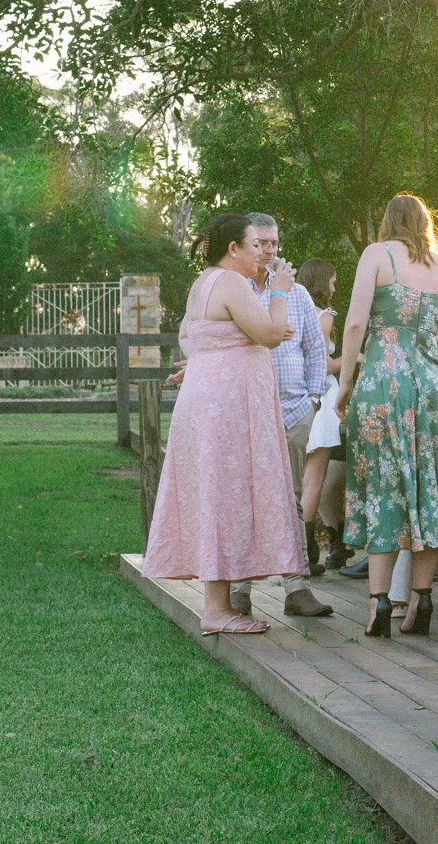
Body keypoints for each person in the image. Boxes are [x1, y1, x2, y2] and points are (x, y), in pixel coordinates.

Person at [142, 213, 307, 634]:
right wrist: (280, 291)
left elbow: (197, 339)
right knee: (223, 493)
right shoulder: (231, 282)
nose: (261, 253)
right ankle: (216, 610)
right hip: (226, 409)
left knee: (220, 493)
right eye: (254, 245)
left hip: (212, 402)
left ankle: (222, 603)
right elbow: (270, 335)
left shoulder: (204, 282)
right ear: (233, 249)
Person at [337, 193, 438, 638]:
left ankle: (380, 602)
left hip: (383, 383)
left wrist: (345, 383)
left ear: (388, 223)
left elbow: (355, 323)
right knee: (427, 491)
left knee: (383, 487)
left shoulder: (377, 255)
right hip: (429, 390)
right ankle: (423, 599)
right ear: (426, 226)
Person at [231, 214, 335, 618]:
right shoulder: (235, 289)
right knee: (245, 500)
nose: (269, 250)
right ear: (245, 245)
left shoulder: (298, 294)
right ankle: (239, 590)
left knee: (291, 499)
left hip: (293, 410)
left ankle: (297, 588)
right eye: (261, 243)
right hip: (247, 410)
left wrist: (313, 399)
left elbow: (315, 348)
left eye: (274, 243)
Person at [296, 257, 349, 567]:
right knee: (314, 478)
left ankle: (302, 549)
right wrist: (353, 358)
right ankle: (307, 551)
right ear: (321, 282)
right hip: (323, 394)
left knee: (303, 476)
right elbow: (323, 364)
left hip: (299, 396)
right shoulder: (324, 316)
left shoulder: (295, 313)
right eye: (332, 281)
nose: (334, 287)